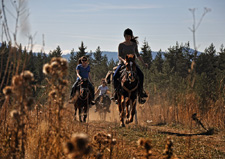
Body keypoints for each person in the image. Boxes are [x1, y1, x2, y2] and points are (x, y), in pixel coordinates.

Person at [112, 28, 148, 104]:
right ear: (124, 36)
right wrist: (124, 61)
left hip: (132, 64)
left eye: (129, 36)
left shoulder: (134, 45)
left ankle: (141, 93)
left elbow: (137, 55)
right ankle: (116, 93)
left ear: (131, 36)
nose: (128, 37)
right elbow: (119, 56)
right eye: (126, 36)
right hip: (123, 64)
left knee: (141, 75)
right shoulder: (121, 45)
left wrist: (143, 63)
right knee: (115, 76)